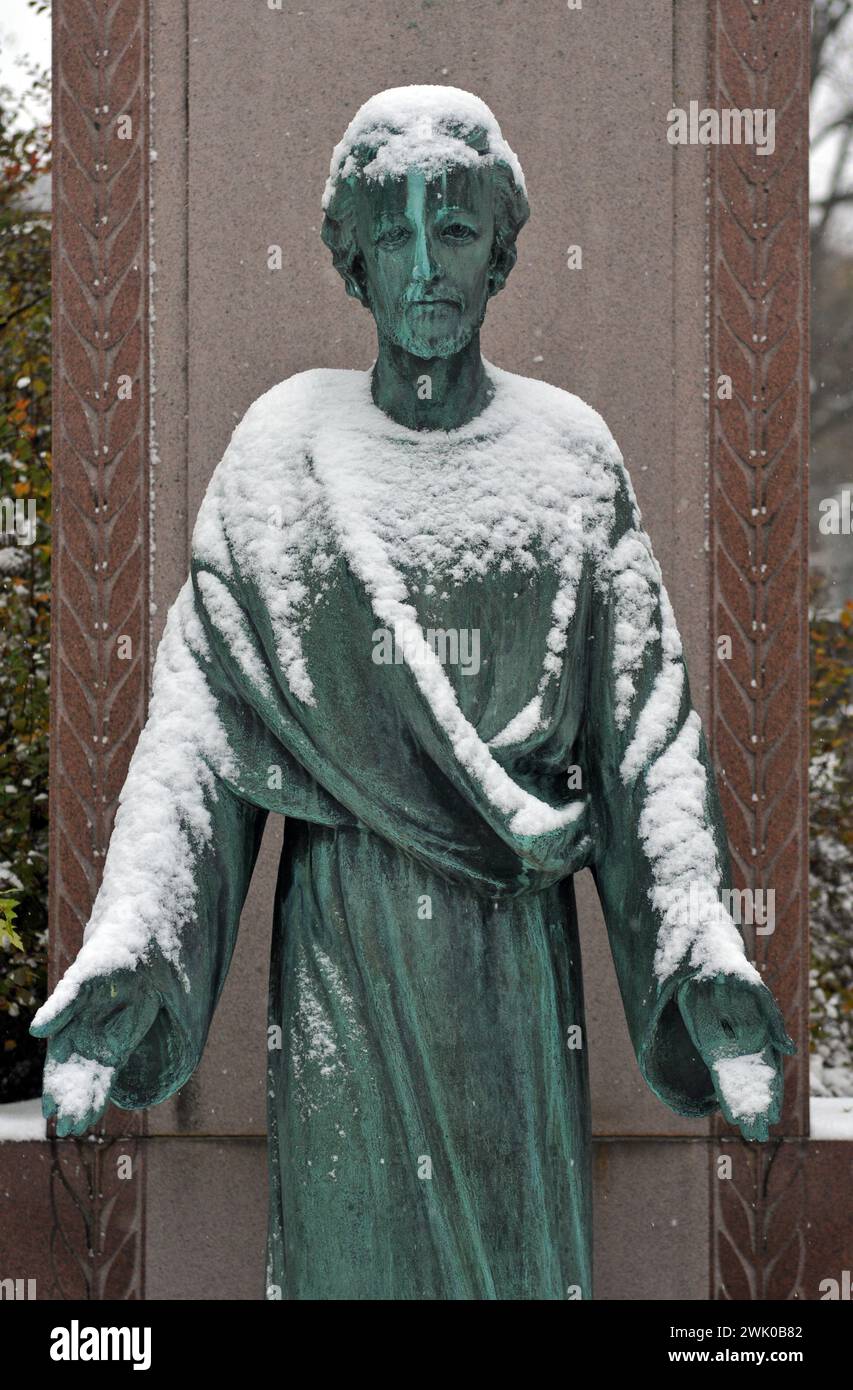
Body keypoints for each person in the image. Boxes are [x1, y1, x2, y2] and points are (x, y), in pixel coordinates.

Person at [32, 85, 795, 1300]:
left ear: (501, 250)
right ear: (350, 261)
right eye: (395, 232)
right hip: (343, 964)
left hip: (510, 981)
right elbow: (194, 742)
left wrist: (701, 967)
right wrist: (130, 967)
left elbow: (645, 735)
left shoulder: (566, 458)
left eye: (456, 230)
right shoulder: (285, 455)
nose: (428, 266)